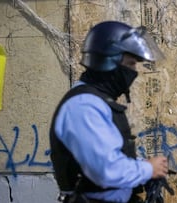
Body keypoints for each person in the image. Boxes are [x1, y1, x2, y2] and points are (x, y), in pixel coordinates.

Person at [49, 21, 168, 203]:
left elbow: (109, 155)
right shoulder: (84, 105)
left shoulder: (97, 101)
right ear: (108, 60)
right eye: (130, 64)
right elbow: (105, 170)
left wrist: (142, 166)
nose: (133, 72)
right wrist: (148, 170)